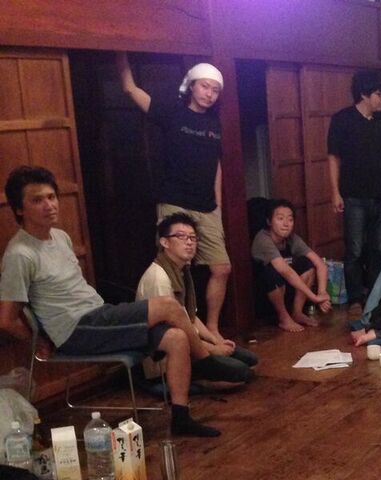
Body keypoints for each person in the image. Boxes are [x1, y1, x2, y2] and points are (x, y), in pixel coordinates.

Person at [0, 166, 225, 437]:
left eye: (51, 197)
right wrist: (38, 342)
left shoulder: (60, 237)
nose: (49, 205)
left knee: (176, 338)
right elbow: (7, 319)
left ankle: (181, 418)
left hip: (97, 317)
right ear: (19, 209)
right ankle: (206, 361)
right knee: (168, 306)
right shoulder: (20, 254)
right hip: (76, 330)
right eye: (37, 200)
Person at [117, 52, 233, 339]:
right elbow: (131, 90)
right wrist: (121, 53)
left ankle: (212, 328)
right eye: (204, 86)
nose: (209, 94)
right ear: (191, 86)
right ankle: (183, 333)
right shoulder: (172, 112)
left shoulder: (215, 124)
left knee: (221, 267)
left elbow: (216, 165)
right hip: (174, 201)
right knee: (173, 269)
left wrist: (217, 205)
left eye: (215, 90)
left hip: (206, 206)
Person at [137, 213, 257, 385]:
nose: (189, 242)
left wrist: (216, 340)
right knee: (241, 373)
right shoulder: (159, 277)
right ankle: (197, 382)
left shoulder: (182, 271)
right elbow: (174, 330)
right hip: (167, 357)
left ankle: (208, 375)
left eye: (193, 238)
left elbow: (190, 316)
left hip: (191, 342)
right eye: (181, 236)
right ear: (164, 242)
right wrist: (213, 349)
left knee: (250, 360)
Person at [326, 69, 381, 314]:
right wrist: (335, 192)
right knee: (354, 250)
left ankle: (375, 296)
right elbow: (333, 158)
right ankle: (355, 299)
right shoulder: (342, 119)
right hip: (353, 196)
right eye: (378, 94)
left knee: (378, 250)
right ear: (364, 94)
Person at [250, 199, 331, 333]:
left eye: (290, 219)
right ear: (269, 221)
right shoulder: (263, 239)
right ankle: (284, 318)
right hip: (262, 294)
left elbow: (320, 264)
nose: (286, 224)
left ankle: (297, 313)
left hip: (286, 289)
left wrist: (322, 292)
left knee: (307, 264)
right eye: (280, 218)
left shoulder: (292, 239)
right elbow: (285, 270)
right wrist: (314, 297)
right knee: (272, 273)